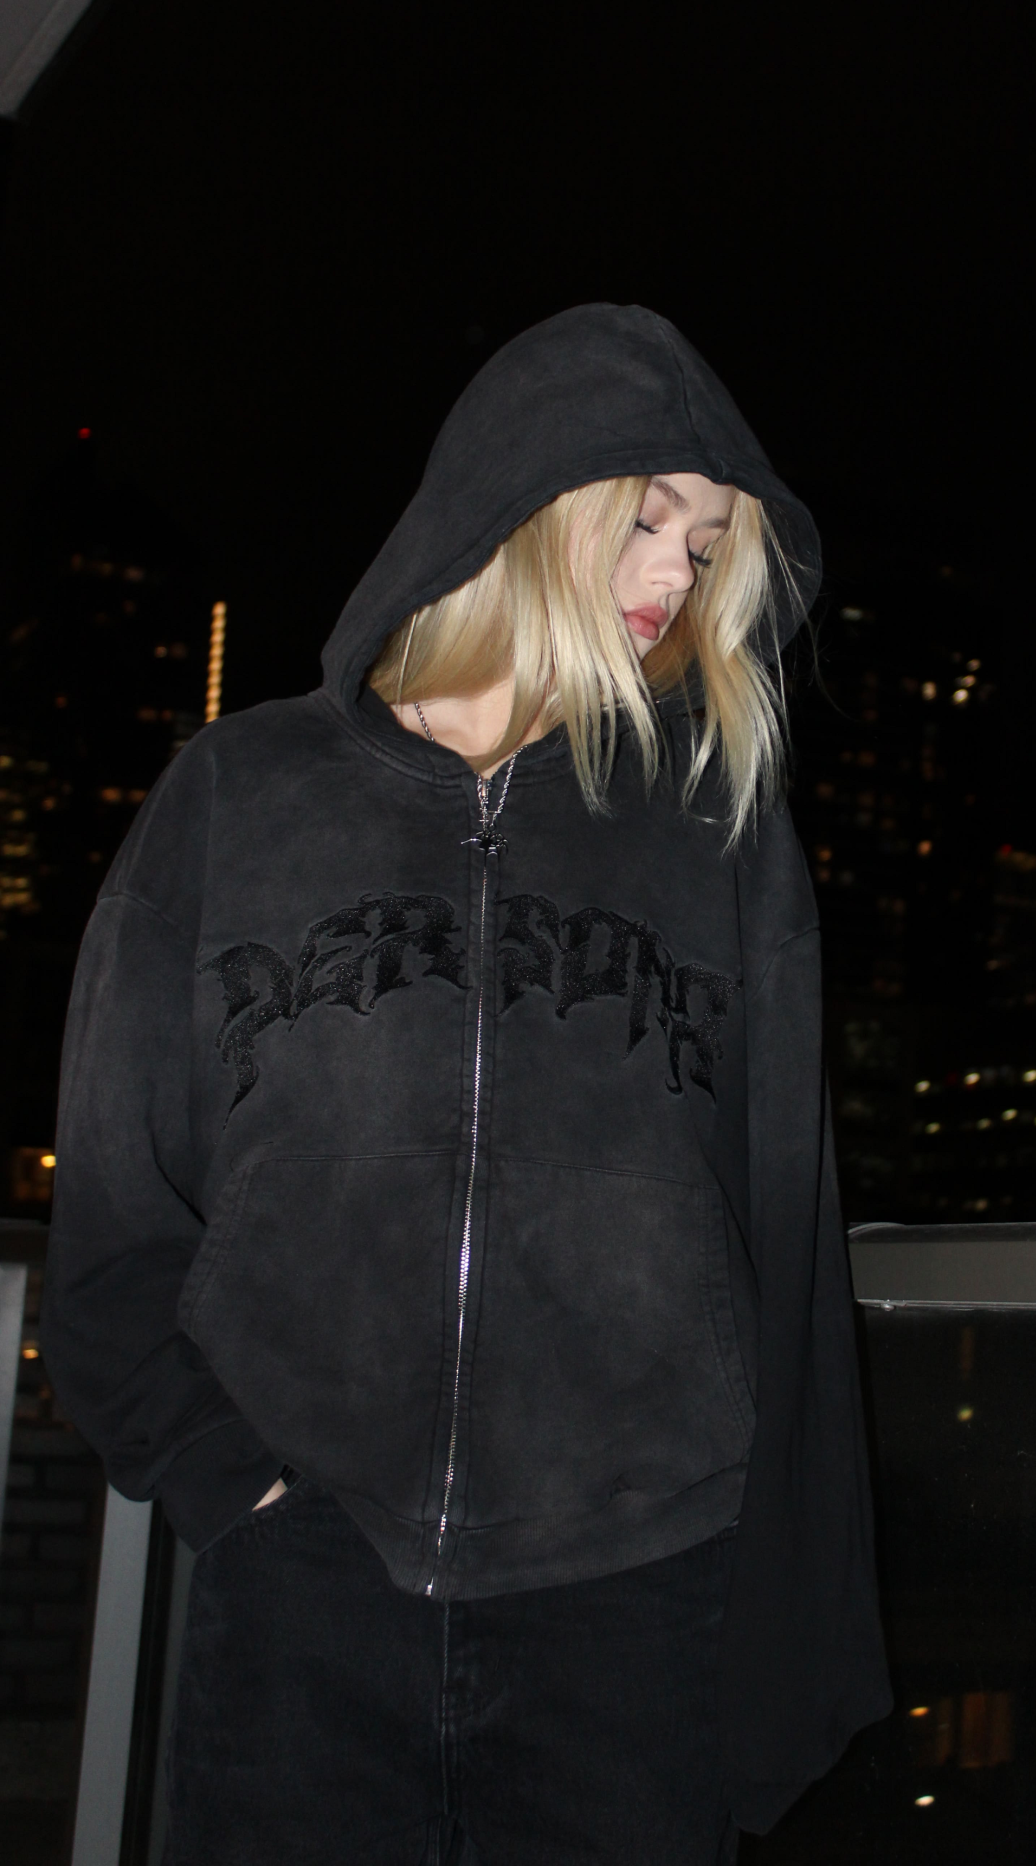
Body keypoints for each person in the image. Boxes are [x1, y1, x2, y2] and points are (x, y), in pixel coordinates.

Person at [42, 302, 890, 1864]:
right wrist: (236, 1486)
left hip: (638, 1601)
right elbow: (109, 1196)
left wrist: (776, 1579)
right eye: (648, 517)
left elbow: (785, 1214)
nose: (674, 574)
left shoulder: (713, 828)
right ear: (525, 489)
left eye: (709, 547)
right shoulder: (240, 794)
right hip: (305, 1583)